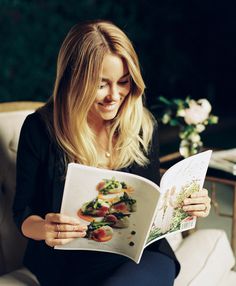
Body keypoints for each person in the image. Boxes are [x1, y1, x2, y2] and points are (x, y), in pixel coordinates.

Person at [13, 20, 211, 286]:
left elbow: (152, 204)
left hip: (141, 257)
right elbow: (23, 212)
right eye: (101, 84)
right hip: (68, 264)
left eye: (124, 82)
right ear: (74, 79)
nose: (114, 96)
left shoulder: (141, 124)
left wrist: (187, 205)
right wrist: (46, 228)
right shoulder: (40, 129)